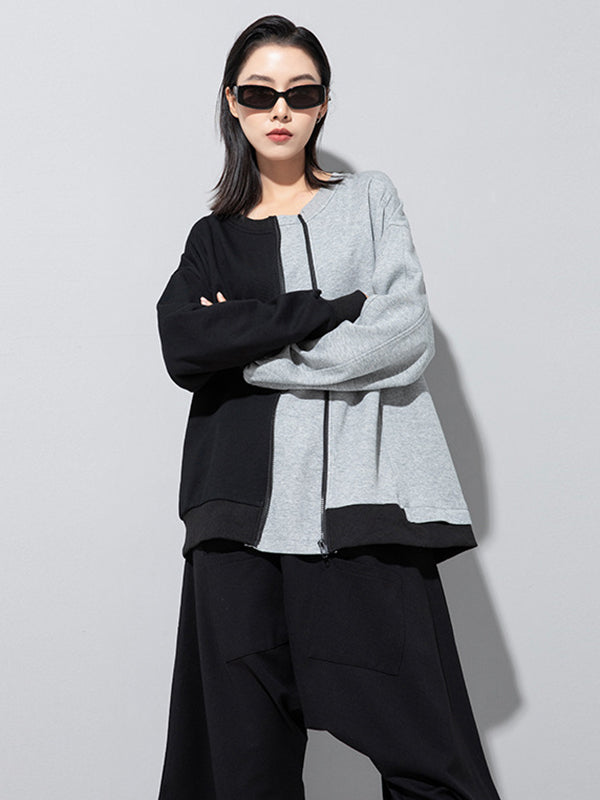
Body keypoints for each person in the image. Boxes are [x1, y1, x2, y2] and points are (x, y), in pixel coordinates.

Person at [155, 13, 503, 800]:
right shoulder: (212, 239)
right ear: (233, 102)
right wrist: (329, 309)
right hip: (236, 522)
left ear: (322, 104)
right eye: (260, 93)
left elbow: (404, 334)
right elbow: (184, 344)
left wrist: (251, 355)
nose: (280, 109)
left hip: (362, 508)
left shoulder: (370, 198)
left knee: (434, 766)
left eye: (300, 93)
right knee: (237, 775)